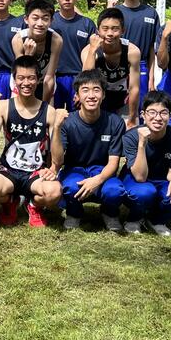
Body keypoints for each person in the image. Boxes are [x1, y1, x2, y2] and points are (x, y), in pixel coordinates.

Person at [0, 56, 62, 227]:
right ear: (14, 80)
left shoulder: (49, 111)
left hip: (36, 173)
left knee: (54, 193)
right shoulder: (4, 106)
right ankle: (10, 201)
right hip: (8, 171)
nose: (26, 83)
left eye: (31, 78)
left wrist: (56, 127)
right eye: (21, 78)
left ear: (38, 79)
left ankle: (33, 204)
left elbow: (58, 158)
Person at [50, 69, 126, 232]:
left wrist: (96, 180)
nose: (91, 95)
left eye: (96, 90)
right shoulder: (67, 122)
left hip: (102, 170)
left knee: (115, 191)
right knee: (70, 187)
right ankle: (74, 213)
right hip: (74, 170)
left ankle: (110, 213)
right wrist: (56, 127)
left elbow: (114, 163)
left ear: (103, 94)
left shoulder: (115, 122)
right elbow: (57, 160)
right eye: (85, 90)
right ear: (77, 95)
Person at [121, 91, 171, 236]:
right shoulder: (131, 137)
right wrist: (141, 144)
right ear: (143, 114)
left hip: (162, 179)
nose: (157, 118)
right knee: (145, 192)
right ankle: (134, 218)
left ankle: (156, 220)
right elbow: (140, 177)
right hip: (135, 179)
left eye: (163, 113)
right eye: (152, 112)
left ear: (170, 115)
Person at [81, 7, 141, 128]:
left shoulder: (132, 51)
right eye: (105, 29)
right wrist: (93, 51)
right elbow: (85, 80)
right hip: (98, 100)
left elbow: (134, 88)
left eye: (115, 29)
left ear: (123, 30)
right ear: (98, 31)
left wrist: (133, 117)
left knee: (131, 131)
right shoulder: (88, 50)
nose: (109, 33)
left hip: (122, 99)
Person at [110, 0, 160, 107]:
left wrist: (151, 78)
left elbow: (152, 48)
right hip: (116, 66)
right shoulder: (115, 12)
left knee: (140, 108)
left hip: (141, 67)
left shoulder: (151, 13)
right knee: (115, 108)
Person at [50, 0, 97, 111]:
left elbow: (92, 54)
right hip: (55, 77)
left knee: (78, 116)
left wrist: (84, 84)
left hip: (78, 77)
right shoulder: (50, 22)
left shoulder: (87, 24)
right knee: (54, 116)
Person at [11, 0, 62, 103]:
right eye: (35, 18)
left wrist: (44, 107)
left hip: (45, 81)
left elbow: (49, 77)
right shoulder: (18, 39)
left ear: (51, 21)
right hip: (22, 81)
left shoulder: (56, 40)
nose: (40, 23)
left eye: (45, 18)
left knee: (48, 110)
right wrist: (28, 56)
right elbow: (22, 73)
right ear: (26, 19)